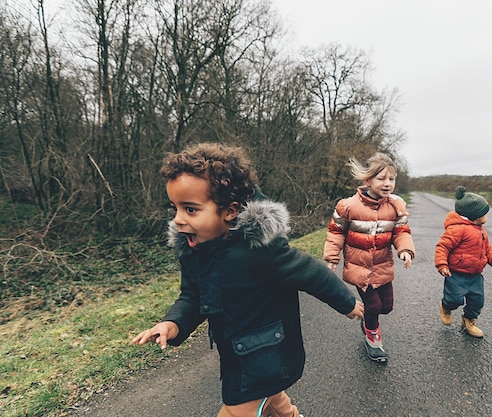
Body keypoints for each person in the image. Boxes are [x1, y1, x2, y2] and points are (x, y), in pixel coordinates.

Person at [132, 143, 364, 417]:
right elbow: (192, 296)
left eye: (190, 210)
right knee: (273, 398)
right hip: (235, 352)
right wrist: (172, 323)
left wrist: (347, 302)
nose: (178, 220)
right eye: (175, 208)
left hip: (268, 352)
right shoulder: (195, 253)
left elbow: (311, 273)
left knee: (238, 407)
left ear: (229, 211)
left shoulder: (260, 250)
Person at [323, 152, 415, 362]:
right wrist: (331, 257)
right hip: (359, 268)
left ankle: (368, 321)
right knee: (373, 307)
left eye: (391, 179)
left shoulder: (395, 206)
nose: (387, 184)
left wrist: (405, 250)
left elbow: (401, 232)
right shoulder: (348, 206)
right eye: (381, 178)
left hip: (382, 266)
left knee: (387, 307)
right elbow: (336, 232)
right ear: (368, 180)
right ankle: (373, 338)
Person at [434, 186, 492, 338]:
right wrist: (442, 264)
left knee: (477, 301)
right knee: (454, 299)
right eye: (484, 213)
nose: (487, 216)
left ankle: (468, 320)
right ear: (475, 215)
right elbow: (443, 246)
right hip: (456, 274)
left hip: (475, 275)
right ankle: (445, 306)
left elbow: (488, 250)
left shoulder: (481, 230)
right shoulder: (457, 230)